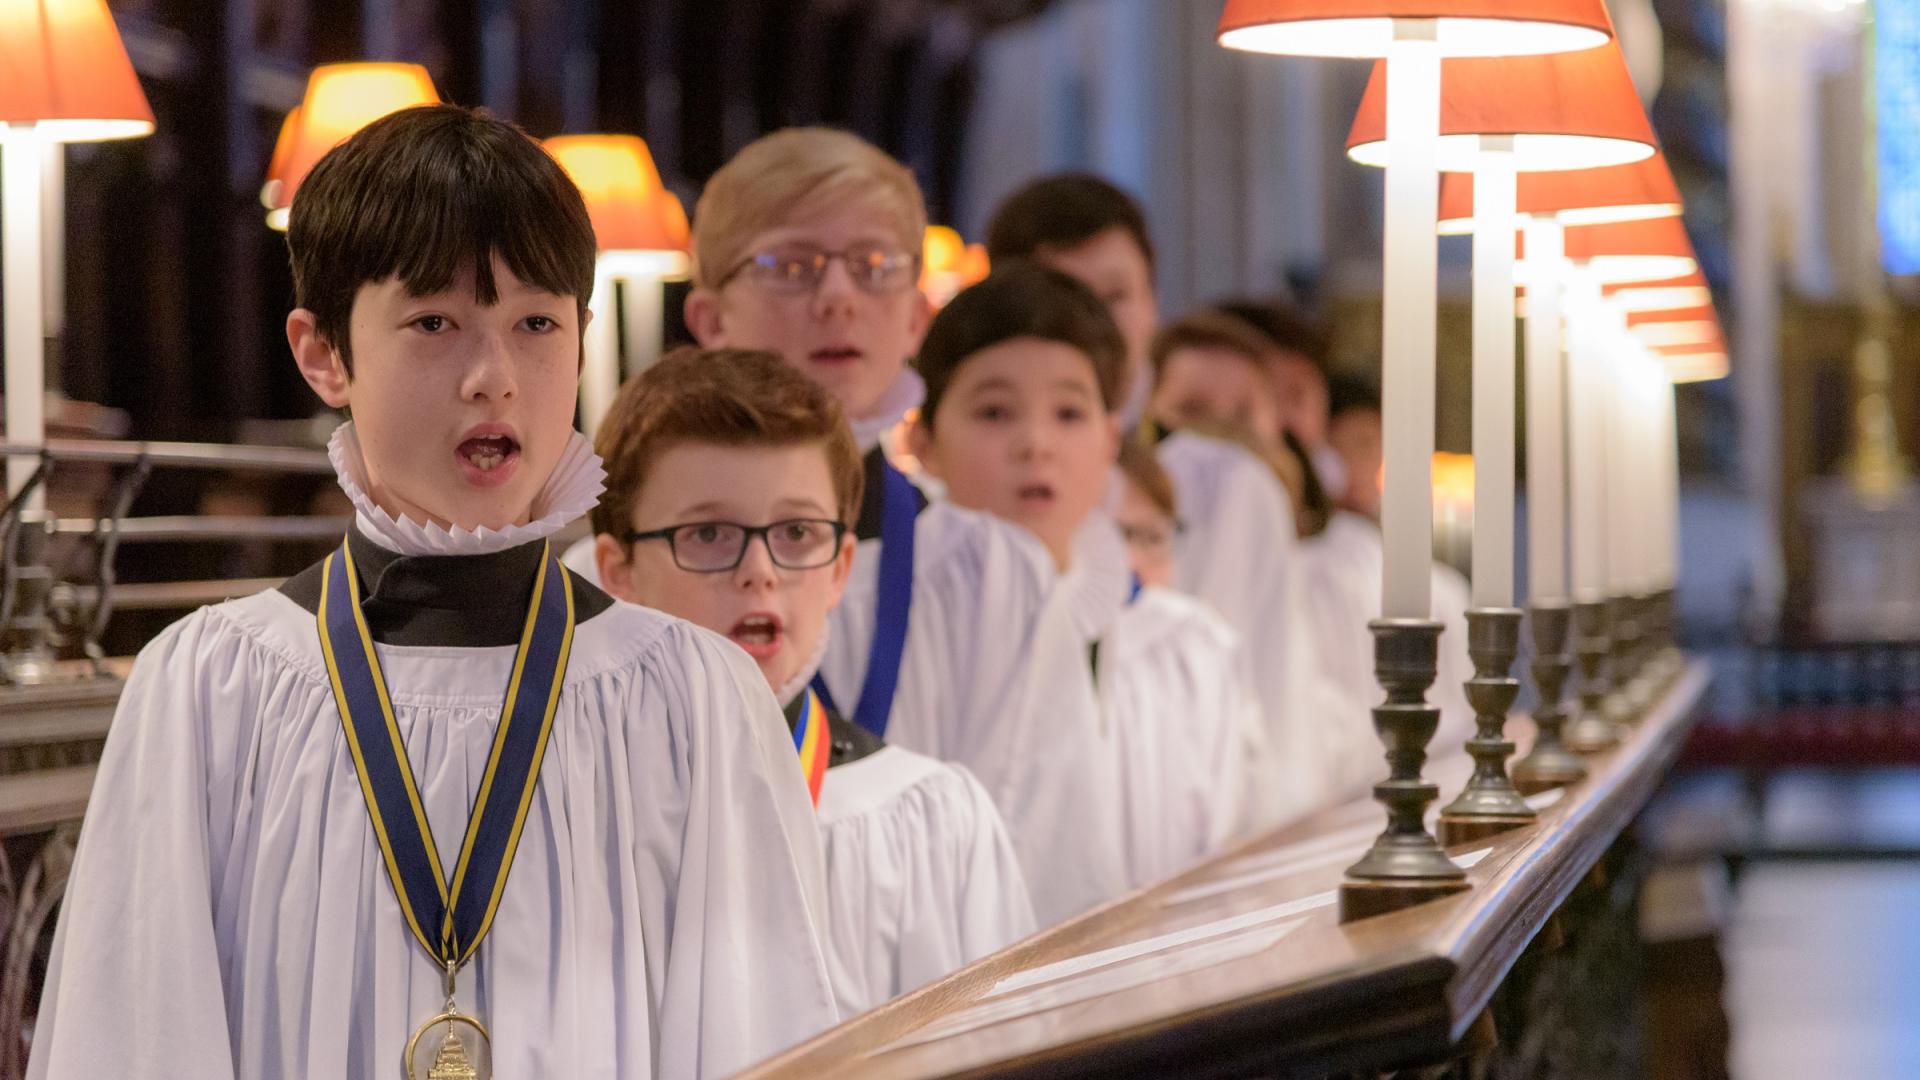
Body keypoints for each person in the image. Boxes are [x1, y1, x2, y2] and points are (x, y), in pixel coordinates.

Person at [28, 106, 840, 1080]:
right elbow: (135, 1036)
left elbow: (773, 1042)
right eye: (434, 324)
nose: (492, 378)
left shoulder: (690, 699)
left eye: (535, 323)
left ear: (581, 343)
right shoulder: (212, 686)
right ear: (324, 353)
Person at [681, 129, 1126, 921]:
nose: (838, 298)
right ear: (710, 318)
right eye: (792, 267)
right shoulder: (631, 573)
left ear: (918, 317)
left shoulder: (994, 573)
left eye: (874, 266)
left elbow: (1054, 863)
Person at [587, 346, 1036, 1015]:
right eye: (709, 533)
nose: (760, 571)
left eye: (796, 531)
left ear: (840, 568)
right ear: (616, 569)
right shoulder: (574, 810)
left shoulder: (927, 822)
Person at [986, 174, 1361, 829]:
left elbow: (1269, 722)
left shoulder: (1220, 487)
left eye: (1115, 295)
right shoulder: (978, 481)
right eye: (1063, 296)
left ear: (1153, 306)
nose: (1093, 322)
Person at [908, 263, 1252, 885]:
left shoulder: (1187, 648)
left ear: (1109, 439)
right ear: (925, 442)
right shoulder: (901, 632)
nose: (1034, 443)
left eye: (1068, 413)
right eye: (993, 413)